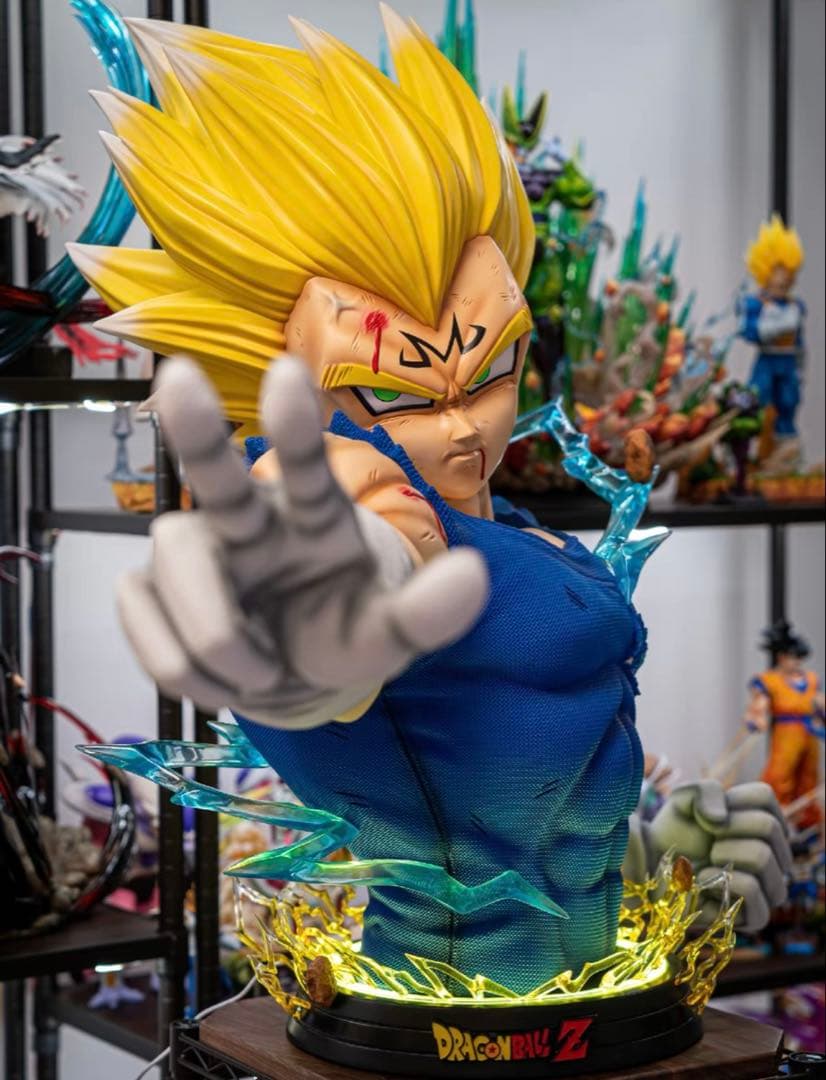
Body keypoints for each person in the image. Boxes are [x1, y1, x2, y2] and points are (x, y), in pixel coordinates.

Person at [71, 9, 790, 992]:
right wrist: (301, 625)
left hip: (593, 996)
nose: (461, 426)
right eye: (397, 393)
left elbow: (518, 796)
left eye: (489, 371)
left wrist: (661, 855)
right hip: (447, 1009)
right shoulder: (357, 501)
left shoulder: (518, 535)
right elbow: (353, 554)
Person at [738, 215, 806, 461]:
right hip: (767, 361)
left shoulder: (795, 306)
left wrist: (800, 369)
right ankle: (751, 449)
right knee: (758, 398)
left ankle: (784, 447)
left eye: (788, 272)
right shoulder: (756, 303)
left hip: (787, 362)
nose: (784, 278)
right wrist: (774, 327)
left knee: (788, 401)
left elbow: (799, 343)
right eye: (779, 271)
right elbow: (748, 331)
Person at [745, 621, 824, 834]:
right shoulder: (770, 680)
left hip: (809, 733)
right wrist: (757, 717)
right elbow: (760, 703)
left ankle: (808, 824)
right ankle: (771, 817)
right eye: (793, 657)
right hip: (786, 733)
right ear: (781, 657)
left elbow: (819, 702)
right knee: (780, 776)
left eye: (799, 657)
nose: (797, 662)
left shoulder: (810, 679)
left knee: (809, 779)